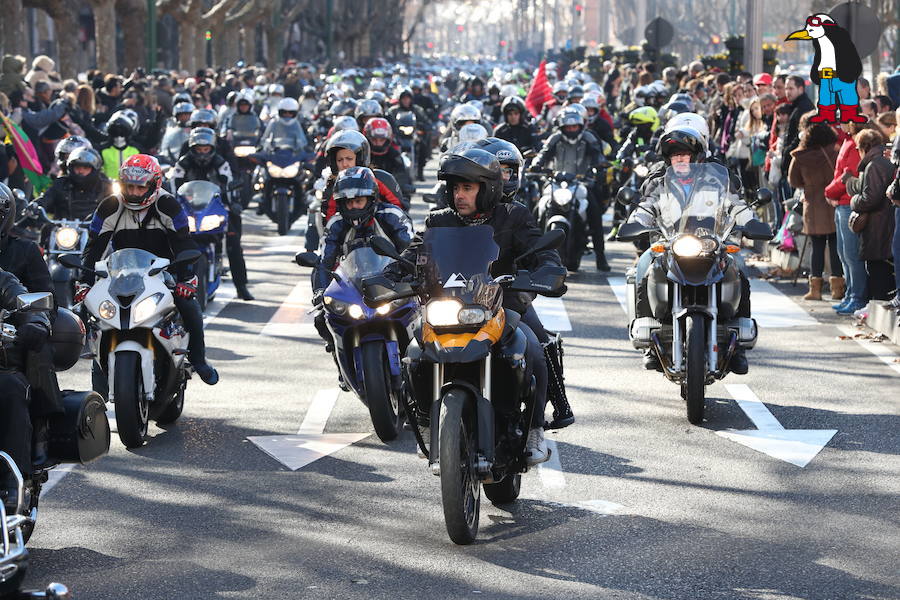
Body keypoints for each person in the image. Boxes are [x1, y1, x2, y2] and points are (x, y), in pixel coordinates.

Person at [386, 148, 566, 464]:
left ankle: (535, 428)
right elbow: (415, 253)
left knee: (533, 348)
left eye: (467, 187)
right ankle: (429, 422)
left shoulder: (514, 215)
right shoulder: (439, 220)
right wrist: (390, 274)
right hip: (448, 303)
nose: (459, 195)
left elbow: (539, 250)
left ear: (488, 188)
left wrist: (548, 267)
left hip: (500, 303)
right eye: (455, 188)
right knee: (414, 354)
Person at [78, 154, 219, 385]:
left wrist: (187, 279)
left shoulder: (168, 204)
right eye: (128, 186)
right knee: (94, 314)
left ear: (154, 185)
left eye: (139, 187)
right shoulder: (110, 206)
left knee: (190, 307)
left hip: (165, 274)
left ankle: (199, 359)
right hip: (121, 274)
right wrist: (84, 282)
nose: (133, 192)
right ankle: (98, 371)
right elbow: (93, 248)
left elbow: (183, 243)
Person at [627, 127, 755, 374]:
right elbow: (646, 206)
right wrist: (635, 222)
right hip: (671, 244)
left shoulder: (716, 181)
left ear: (697, 157)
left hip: (710, 243)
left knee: (739, 266)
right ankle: (649, 344)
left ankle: (737, 347)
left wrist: (750, 220)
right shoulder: (659, 183)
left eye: (685, 154)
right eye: (675, 155)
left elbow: (735, 204)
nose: (680, 159)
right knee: (644, 265)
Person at [309, 166, 412, 365]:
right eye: (349, 203)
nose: (354, 207)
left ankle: (419, 361)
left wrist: (415, 277)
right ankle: (339, 360)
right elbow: (324, 261)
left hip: (393, 284)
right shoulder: (336, 224)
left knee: (427, 316)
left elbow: (410, 250)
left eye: (359, 201)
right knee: (321, 318)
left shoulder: (391, 215)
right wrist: (320, 290)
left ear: (372, 198)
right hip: (353, 288)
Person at [0, 184, 52, 509]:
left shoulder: (16, 260)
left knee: (10, 388)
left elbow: (31, 297)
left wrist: (35, 321)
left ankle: (11, 487)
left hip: (7, 351)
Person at [171, 127, 253, 301]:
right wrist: (172, 204)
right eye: (198, 149)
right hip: (189, 208)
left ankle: (241, 286)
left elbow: (229, 182)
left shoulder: (221, 163)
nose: (202, 153)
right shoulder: (183, 163)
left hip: (215, 207)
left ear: (212, 148)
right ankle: (170, 283)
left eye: (206, 149)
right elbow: (174, 185)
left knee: (233, 242)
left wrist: (233, 201)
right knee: (171, 239)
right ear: (192, 148)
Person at [532, 107, 610, 271]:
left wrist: (598, 167)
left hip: (581, 183)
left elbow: (598, 156)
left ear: (580, 126)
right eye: (568, 127)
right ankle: (529, 253)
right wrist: (536, 165)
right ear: (562, 127)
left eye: (574, 127)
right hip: (555, 182)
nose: (571, 130)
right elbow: (543, 154)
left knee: (595, 215)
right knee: (537, 209)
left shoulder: (588, 138)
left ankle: (601, 257)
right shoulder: (555, 138)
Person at [788, 116, 843, 301]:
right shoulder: (835, 152)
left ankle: (816, 289)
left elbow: (793, 181)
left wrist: (809, 185)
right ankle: (837, 289)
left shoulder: (800, 156)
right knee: (835, 245)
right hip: (833, 201)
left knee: (817, 247)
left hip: (812, 204)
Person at [847, 129, 896, 301]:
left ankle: (879, 313)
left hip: (879, 227)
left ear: (863, 148)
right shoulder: (881, 162)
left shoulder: (874, 165)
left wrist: (853, 200)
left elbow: (871, 199)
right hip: (884, 224)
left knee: (879, 275)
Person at [38, 147, 112, 221]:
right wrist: (35, 207)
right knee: (46, 230)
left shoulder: (104, 186)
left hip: (95, 230)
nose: (81, 171)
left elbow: (116, 207)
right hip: (63, 229)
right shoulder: (61, 184)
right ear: (71, 168)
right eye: (77, 167)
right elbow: (45, 199)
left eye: (86, 167)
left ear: (94, 169)